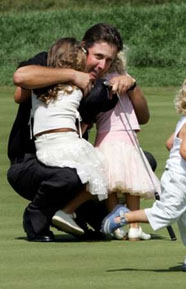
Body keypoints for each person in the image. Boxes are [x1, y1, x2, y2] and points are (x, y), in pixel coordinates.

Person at [8, 23, 157, 241]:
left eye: (108, 60)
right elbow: (21, 79)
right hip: (30, 163)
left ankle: (77, 210)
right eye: (98, 56)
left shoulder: (100, 84)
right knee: (71, 176)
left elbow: (142, 116)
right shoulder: (51, 59)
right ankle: (36, 216)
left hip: (74, 158)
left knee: (140, 162)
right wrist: (72, 75)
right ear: (84, 47)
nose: (102, 65)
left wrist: (132, 84)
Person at [101, 70, 186, 272]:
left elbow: (171, 144)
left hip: (185, 179)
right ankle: (123, 217)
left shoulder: (185, 120)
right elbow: (184, 150)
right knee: (167, 213)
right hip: (181, 179)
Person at [30, 37, 109, 237]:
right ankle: (66, 212)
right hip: (68, 143)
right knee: (104, 175)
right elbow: (99, 95)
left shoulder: (38, 88)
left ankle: (76, 214)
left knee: (86, 176)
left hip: (44, 149)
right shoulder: (81, 86)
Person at [95, 52, 161, 240]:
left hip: (103, 138)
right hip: (125, 137)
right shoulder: (123, 81)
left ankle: (116, 227)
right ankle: (134, 227)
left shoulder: (98, 83)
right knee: (133, 184)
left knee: (111, 186)